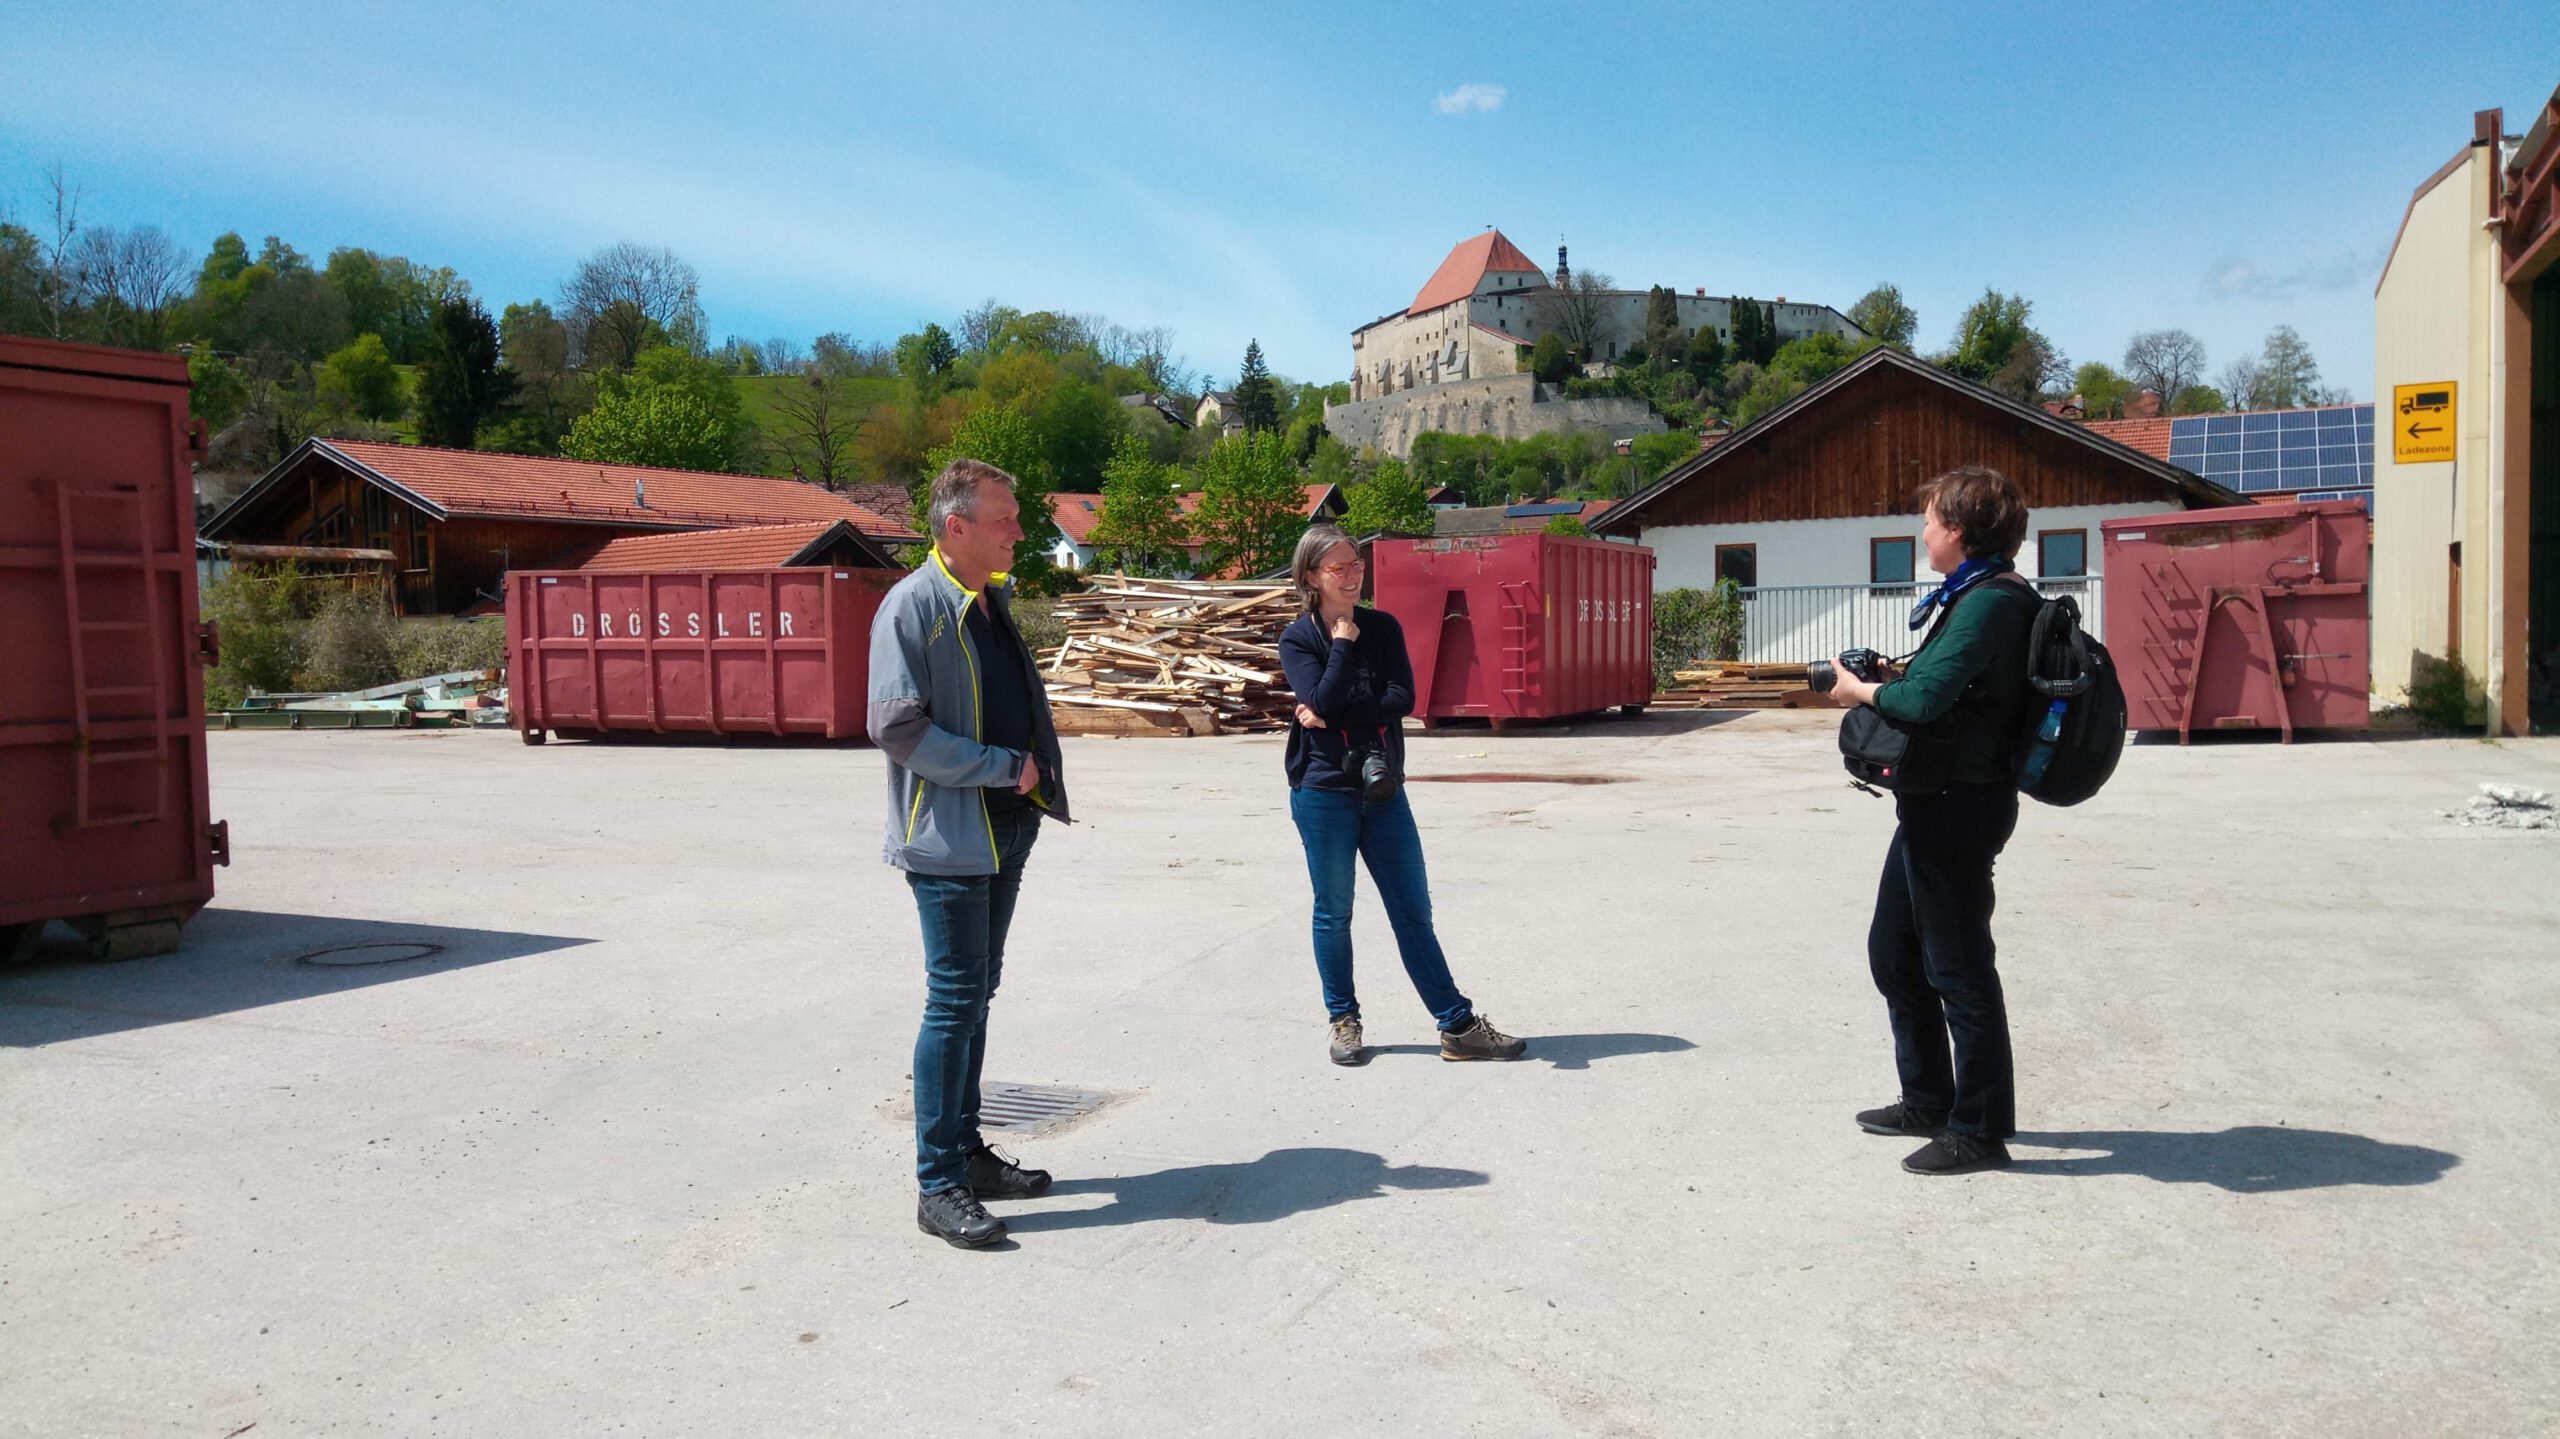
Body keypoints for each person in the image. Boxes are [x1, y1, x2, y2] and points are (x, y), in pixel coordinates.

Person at [868, 459, 1071, 1248]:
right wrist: (999, 767)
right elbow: (896, 727)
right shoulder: (910, 608)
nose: (1019, 528)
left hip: (1006, 825)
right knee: (953, 999)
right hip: (950, 835)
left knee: (977, 993)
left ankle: (968, 1152)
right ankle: (938, 1182)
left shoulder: (989, 600)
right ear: (957, 528)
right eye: (1004, 517)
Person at [1824, 464, 2040, 1176]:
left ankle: (1979, 1128)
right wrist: (1893, 671)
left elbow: (1920, 706)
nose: (1923, 530)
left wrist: (1860, 689)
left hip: (1960, 805)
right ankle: (1928, 1096)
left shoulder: (1991, 603)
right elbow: (1936, 684)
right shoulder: (1975, 595)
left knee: (1959, 967)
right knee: (1895, 950)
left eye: (1931, 519)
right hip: (1935, 798)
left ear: (1960, 529)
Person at [1275, 523, 1528, 1067]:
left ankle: (1458, 1028)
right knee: (1334, 912)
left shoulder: (1384, 627)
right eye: (1339, 567)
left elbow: (1403, 698)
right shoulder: (1299, 638)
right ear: (1311, 576)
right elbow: (1318, 692)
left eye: (1356, 564)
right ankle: (1343, 1020)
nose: (1352, 574)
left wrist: (1331, 711)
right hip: (1322, 791)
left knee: (1413, 913)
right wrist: (1341, 644)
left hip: (1382, 786)